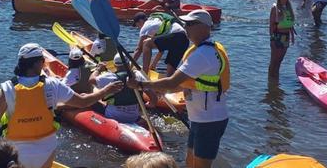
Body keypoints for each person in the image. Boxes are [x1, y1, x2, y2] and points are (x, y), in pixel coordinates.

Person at [0, 43, 123, 168]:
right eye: (43, 60)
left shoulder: (7, 88)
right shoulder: (53, 84)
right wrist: (105, 91)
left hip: (15, 150)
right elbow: (83, 102)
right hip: (46, 147)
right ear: (38, 63)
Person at [127, 10, 230, 168]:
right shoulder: (199, 50)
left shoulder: (204, 53)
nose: (185, 27)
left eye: (190, 24)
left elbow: (172, 81)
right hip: (199, 118)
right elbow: (184, 84)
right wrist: (165, 91)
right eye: (185, 24)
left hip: (209, 120)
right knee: (190, 163)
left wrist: (142, 85)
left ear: (204, 27)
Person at [90, 54, 145, 123]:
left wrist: (98, 69)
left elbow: (91, 80)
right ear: (128, 64)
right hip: (133, 117)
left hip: (113, 116)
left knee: (90, 99)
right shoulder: (138, 75)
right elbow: (153, 100)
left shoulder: (111, 77)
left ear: (115, 65)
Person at [131, 11, 189, 76]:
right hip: (185, 40)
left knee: (146, 43)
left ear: (140, 21)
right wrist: (153, 65)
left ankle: (144, 74)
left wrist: (129, 67)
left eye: (137, 25)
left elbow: (138, 49)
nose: (138, 28)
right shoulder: (157, 20)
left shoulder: (146, 26)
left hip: (176, 36)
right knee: (169, 74)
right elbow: (161, 49)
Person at [269, 0, 296, 79]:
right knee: (274, 60)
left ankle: (276, 78)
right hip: (277, 35)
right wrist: (272, 39)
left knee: (280, 60)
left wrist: (292, 36)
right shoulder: (275, 8)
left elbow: (289, 23)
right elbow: (271, 24)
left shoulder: (289, 7)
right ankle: (271, 81)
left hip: (286, 36)